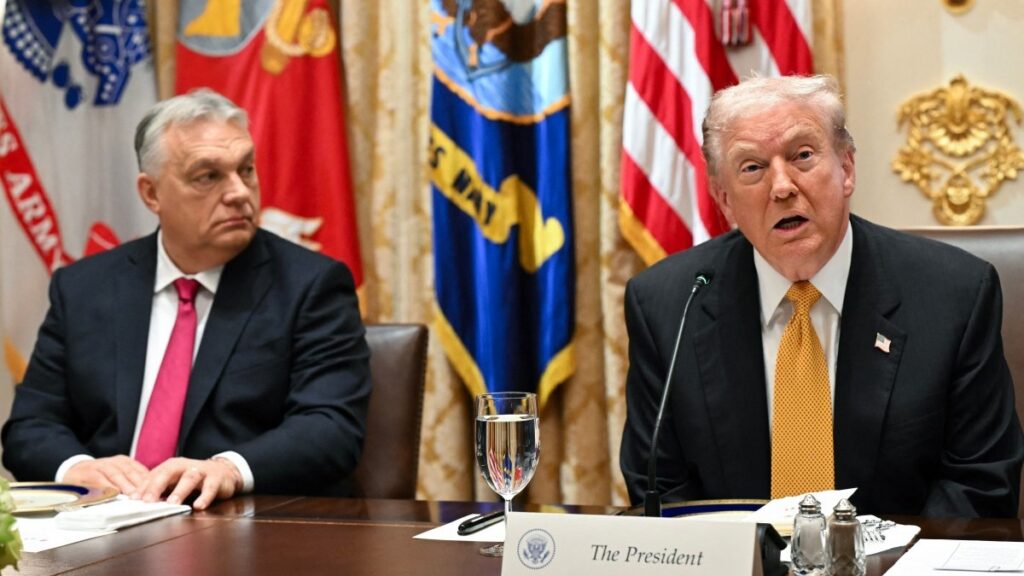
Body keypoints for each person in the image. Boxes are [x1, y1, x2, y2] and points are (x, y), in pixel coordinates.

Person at [619, 74, 1024, 517]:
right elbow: (661, 489)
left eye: (803, 156)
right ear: (725, 200)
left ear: (846, 169)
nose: (782, 187)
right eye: (752, 168)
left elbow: (980, 483)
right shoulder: (667, 305)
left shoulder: (953, 295)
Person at [2, 89, 371, 510]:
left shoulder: (311, 286)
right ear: (151, 194)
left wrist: (229, 469)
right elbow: (30, 426)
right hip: (103, 522)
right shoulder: (84, 288)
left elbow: (331, 428)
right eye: (208, 176)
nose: (239, 192)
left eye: (246, 170)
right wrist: (78, 468)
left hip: (235, 523)